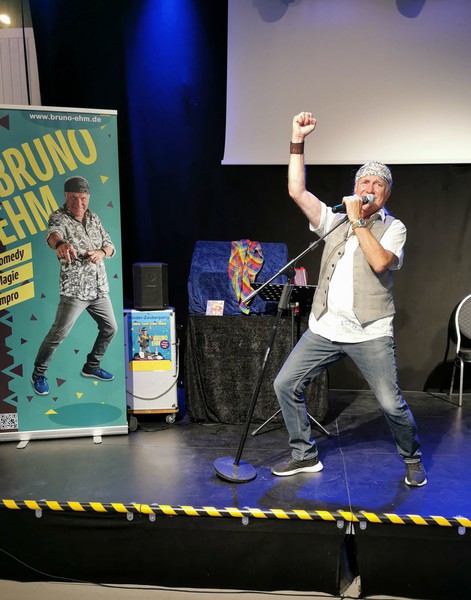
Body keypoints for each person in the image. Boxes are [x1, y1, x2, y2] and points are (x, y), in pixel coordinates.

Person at [271, 111, 427, 487]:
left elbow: (379, 262)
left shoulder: (394, 227)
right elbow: (297, 191)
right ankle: (304, 455)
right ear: (355, 187)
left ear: (386, 194)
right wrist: (297, 140)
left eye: (378, 183)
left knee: (390, 403)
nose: (370, 186)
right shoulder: (334, 219)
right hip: (326, 328)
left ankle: (412, 458)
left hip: (370, 331)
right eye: (364, 181)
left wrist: (358, 221)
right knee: (284, 384)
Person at [31, 176, 118, 396]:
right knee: (58, 334)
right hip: (75, 291)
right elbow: (53, 235)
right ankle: (39, 373)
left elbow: (110, 245)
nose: (78, 203)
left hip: (99, 289)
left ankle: (92, 366)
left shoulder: (94, 218)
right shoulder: (59, 217)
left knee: (110, 328)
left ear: (88, 198)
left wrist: (101, 252)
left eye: (82, 198)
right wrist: (61, 244)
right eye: (73, 198)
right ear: (66, 196)